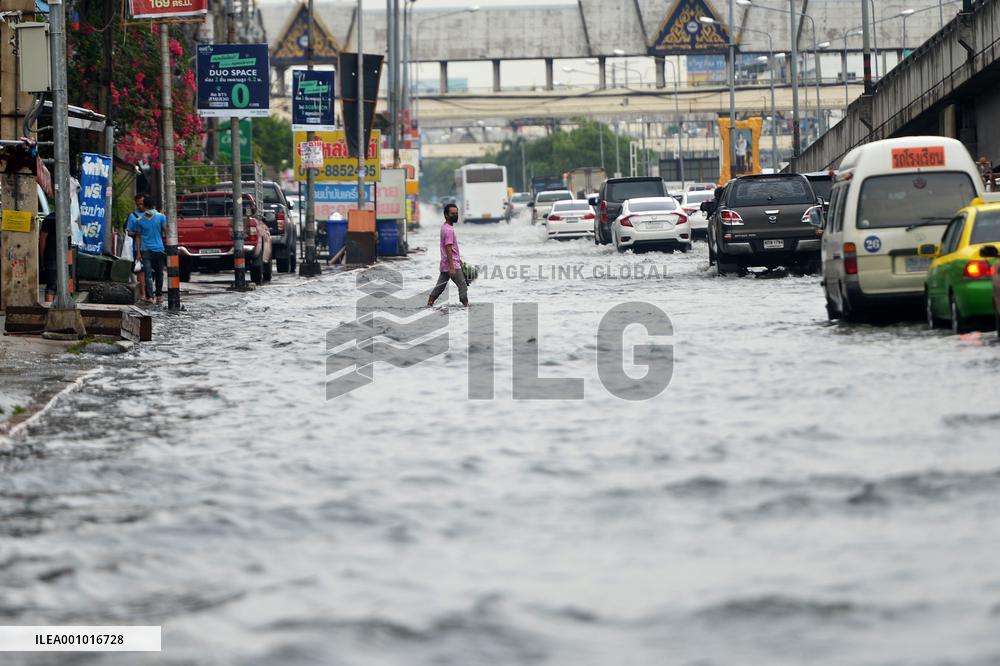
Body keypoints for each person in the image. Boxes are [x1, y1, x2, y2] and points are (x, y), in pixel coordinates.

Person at [126, 194, 167, 305]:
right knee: (159, 273)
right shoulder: (161, 217)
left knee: (147, 274)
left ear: (144, 205)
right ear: (153, 205)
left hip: (145, 250)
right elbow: (166, 231)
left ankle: (149, 297)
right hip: (159, 249)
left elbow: (138, 236)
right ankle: (159, 296)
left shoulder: (140, 219)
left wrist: (138, 252)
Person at [427, 203, 468, 308]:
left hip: (446, 263)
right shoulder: (449, 230)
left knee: (440, 287)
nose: (455, 215)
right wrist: (452, 266)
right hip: (451, 264)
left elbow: (451, 249)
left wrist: (459, 260)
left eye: (456, 213)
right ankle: (466, 306)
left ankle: (429, 304)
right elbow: (448, 248)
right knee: (462, 285)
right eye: (452, 214)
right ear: (446, 215)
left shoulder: (445, 227)